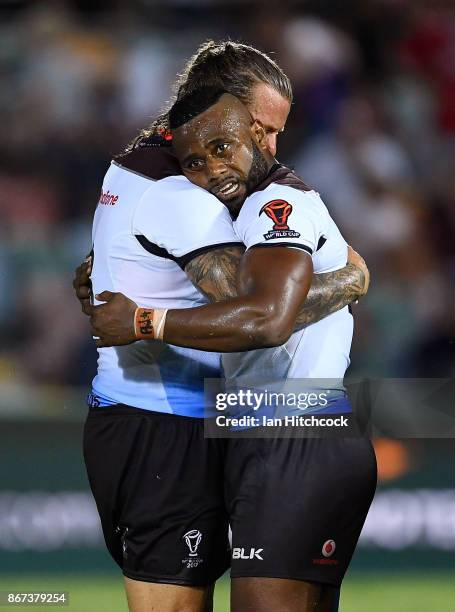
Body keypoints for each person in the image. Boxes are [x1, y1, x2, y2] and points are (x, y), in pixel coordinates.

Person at [75, 41, 370, 612]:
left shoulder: (148, 167)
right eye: (259, 129)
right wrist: (351, 279)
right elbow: (262, 312)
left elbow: (263, 308)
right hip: (169, 426)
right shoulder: (180, 193)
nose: (271, 147)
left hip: (256, 421)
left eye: (275, 133)